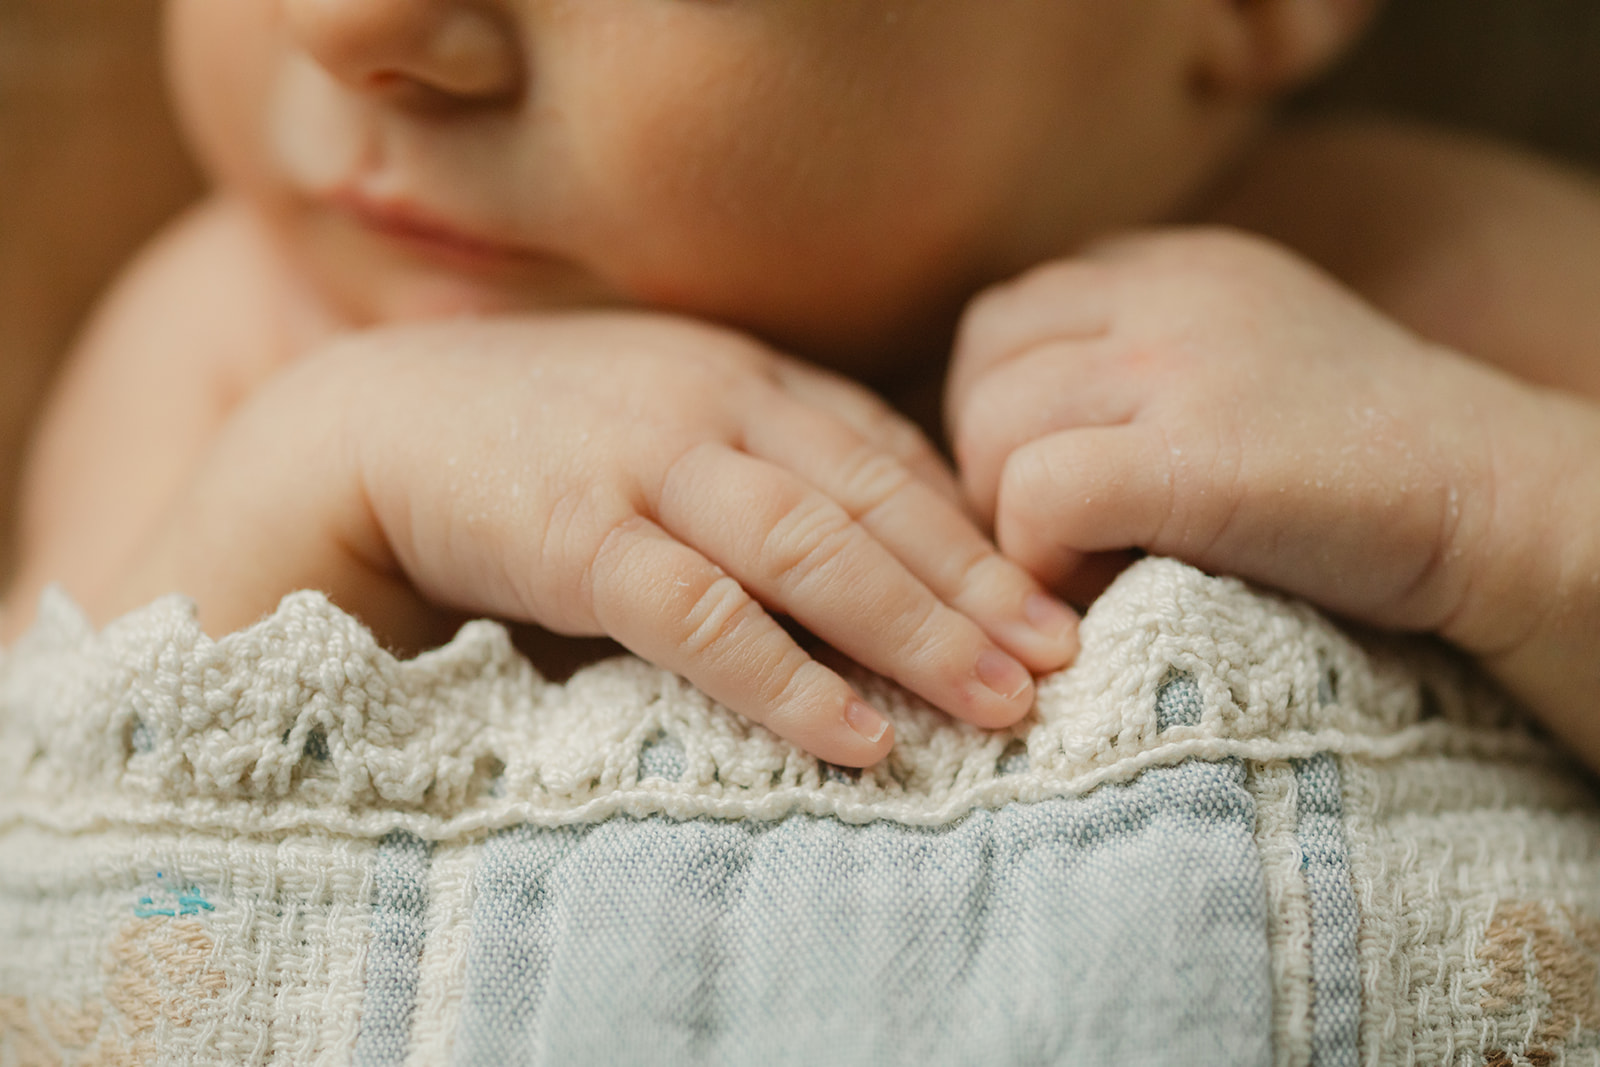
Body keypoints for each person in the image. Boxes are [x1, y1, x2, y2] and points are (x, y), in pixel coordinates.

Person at [4, 0, 1600, 771]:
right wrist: (323, 485)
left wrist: (1494, 502)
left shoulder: (1402, 280)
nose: (354, 27)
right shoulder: (260, 348)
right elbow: (58, 908)